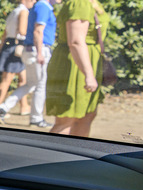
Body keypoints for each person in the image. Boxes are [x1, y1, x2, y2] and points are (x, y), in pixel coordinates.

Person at [46, 0, 109, 137]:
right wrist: (88, 74)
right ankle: (45, 157)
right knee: (66, 119)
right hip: (75, 65)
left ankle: (77, 154)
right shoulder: (80, 3)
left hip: (87, 62)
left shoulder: (92, 2)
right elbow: (75, 42)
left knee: (86, 116)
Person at [0, 0, 60, 128]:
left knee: (32, 83)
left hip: (31, 49)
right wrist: (40, 52)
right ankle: (36, 118)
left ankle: (4, 106)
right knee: (40, 85)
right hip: (37, 49)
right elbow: (37, 31)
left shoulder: (38, 6)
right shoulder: (43, 6)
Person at [0, 0, 35, 120]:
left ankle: (24, 106)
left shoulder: (14, 12)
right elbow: (22, 31)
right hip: (16, 48)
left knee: (23, 80)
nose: (34, 2)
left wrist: (0, 50)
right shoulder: (24, 12)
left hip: (8, 46)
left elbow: (5, 33)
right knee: (6, 80)